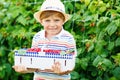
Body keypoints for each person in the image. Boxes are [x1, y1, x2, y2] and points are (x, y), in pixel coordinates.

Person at [13, 0, 77, 80]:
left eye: (56, 20)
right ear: (41, 21)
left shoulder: (68, 39)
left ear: (63, 21)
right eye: (47, 20)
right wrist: (25, 69)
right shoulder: (37, 37)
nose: (52, 24)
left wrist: (63, 71)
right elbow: (34, 64)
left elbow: (71, 63)